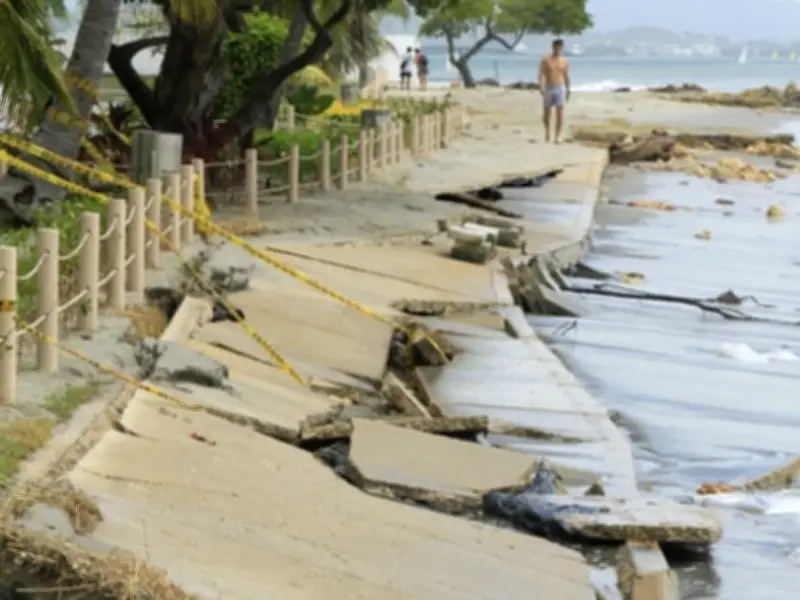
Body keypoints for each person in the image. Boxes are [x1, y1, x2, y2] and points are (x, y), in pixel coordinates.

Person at [538, 38, 571, 143]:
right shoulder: (546, 60)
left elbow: (566, 75)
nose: (557, 49)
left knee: (560, 111)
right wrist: (541, 86)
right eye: (556, 47)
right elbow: (541, 74)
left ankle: (557, 135)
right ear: (553, 47)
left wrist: (568, 88)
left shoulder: (564, 61)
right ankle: (547, 131)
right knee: (547, 112)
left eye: (559, 47)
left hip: (560, 86)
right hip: (549, 86)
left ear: (561, 48)